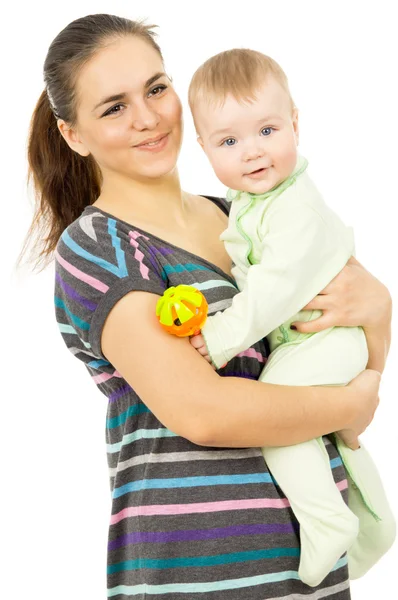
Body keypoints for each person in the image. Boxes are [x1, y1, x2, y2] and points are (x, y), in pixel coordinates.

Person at [24, 13, 390, 600]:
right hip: (199, 571)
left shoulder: (243, 214)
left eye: (156, 88)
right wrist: (350, 402)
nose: (147, 117)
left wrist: (379, 309)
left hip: (310, 567)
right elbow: (204, 412)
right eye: (113, 107)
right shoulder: (102, 249)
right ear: (73, 134)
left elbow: (338, 332)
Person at [186, 49, 396, 586]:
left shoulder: (294, 206)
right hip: (311, 343)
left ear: (296, 124)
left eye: (267, 130)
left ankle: (327, 522)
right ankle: (371, 520)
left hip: (326, 340)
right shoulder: (251, 203)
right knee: (325, 430)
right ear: (204, 149)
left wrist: (220, 336)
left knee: (277, 417)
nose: (252, 152)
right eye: (229, 141)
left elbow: (275, 290)